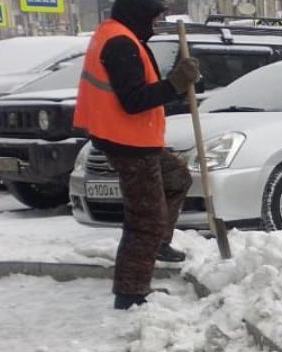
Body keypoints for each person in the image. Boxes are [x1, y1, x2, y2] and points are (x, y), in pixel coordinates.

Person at [74, 0, 201, 310]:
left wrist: (177, 83)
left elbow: (142, 89)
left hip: (133, 139)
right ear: (137, 14)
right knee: (146, 220)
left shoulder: (120, 35)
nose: (155, 24)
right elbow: (134, 100)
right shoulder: (120, 43)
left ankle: (156, 245)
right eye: (153, 17)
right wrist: (174, 84)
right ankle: (131, 293)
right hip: (128, 143)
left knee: (177, 177)